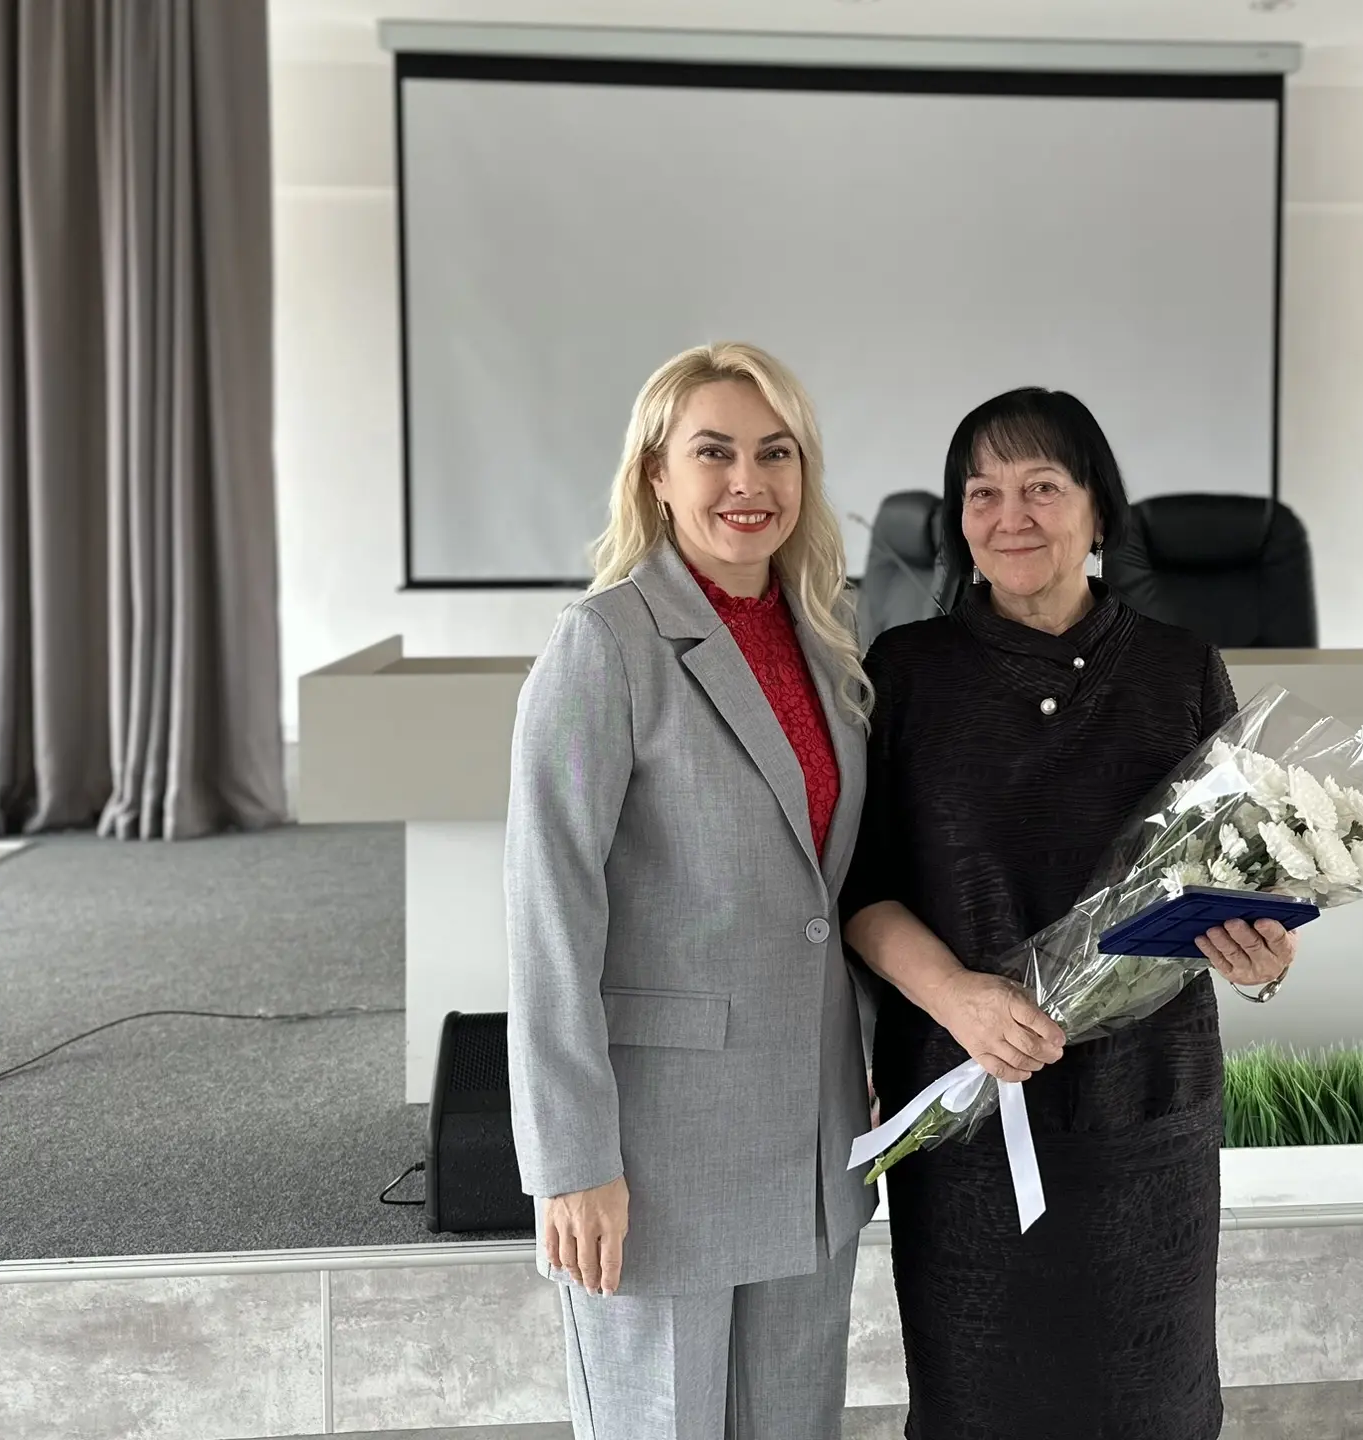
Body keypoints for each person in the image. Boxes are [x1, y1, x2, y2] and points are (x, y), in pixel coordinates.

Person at [840, 388, 1299, 1440]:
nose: (1011, 517)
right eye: (982, 493)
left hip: (1150, 1102)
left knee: (1151, 1401)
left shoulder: (1180, 667)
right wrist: (958, 997)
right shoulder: (905, 671)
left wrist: (1262, 956)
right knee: (982, 1400)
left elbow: (1239, 873)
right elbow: (859, 893)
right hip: (970, 1096)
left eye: (1042, 487)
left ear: (1098, 510)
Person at [505, 342, 874, 1439]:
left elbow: (828, 893)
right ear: (656, 475)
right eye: (713, 453)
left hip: (812, 1145)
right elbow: (549, 916)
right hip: (657, 1155)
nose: (747, 482)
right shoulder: (604, 644)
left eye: (776, 453)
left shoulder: (827, 639)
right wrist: (571, 1162)